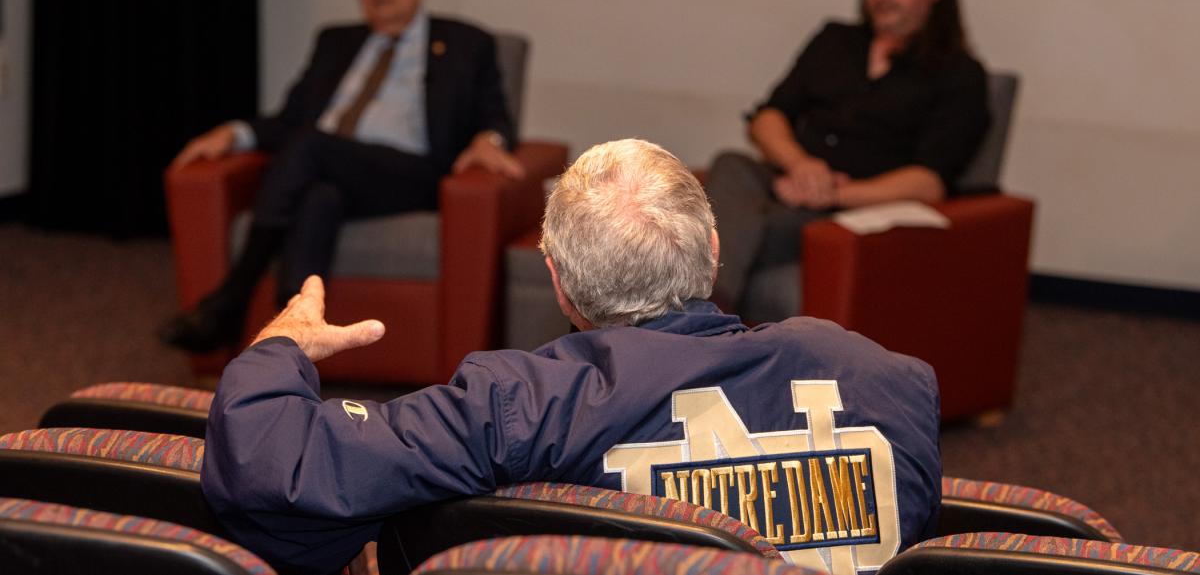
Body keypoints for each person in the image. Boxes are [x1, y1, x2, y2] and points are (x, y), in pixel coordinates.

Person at [202, 138, 942, 575]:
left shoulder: (517, 401)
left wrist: (281, 347)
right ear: (714, 253)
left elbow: (273, 465)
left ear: (556, 280)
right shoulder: (886, 381)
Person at [159, 0, 524, 352]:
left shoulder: (466, 43)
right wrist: (234, 133)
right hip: (327, 169)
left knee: (311, 146)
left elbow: (497, 117)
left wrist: (489, 141)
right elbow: (289, 120)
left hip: (410, 175)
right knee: (318, 198)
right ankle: (288, 348)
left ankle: (232, 297)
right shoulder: (335, 42)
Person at [707, 0, 990, 317]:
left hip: (851, 211)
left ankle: (702, 316)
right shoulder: (835, 40)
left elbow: (929, 182)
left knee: (720, 229)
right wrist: (802, 166)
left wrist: (833, 194)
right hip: (787, 181)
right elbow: (768, 117)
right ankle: (704, 318)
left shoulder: (958, 74)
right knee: (731, 164)